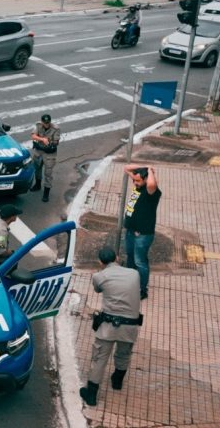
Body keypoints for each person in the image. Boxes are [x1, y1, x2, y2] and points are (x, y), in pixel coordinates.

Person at [79, 247, 142, 406]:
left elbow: (98, 289)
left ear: (100, 262)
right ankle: (117, 382)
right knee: (124, 353)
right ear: (117, 257)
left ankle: (91, 395)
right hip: (130, 326)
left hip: (108, 326)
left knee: (100, 357)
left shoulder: (99, 276)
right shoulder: (134, 274)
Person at [123, 164, 161, 300]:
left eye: (138, 181)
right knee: (130, 258)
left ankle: (141, 290)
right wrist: (145, 165)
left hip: (142, 235)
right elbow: (126, 168)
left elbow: (151, 183)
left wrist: (150, 171)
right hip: (130, 231)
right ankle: (129, 284)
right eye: (134, 180)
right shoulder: (139, 184)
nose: (135, 183)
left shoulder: (151, 192)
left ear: (146, 179)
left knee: (140, 262)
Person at [30, 114, 60, 203]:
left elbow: (56, 142)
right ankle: (38, 185)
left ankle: (46, 192)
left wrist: (47, 142)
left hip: (49, 154)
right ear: (42, 121)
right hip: (39, 152)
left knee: (48, 173)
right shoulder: (38, 125)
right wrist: (42, 139)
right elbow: (33, 136)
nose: (46, 124)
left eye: (48, 123)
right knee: (37, 169)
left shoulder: (56, 129)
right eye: (45, 123)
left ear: (50, 121)